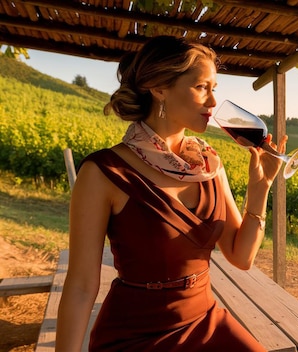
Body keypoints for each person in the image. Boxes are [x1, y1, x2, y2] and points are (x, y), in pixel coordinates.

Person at [56, 35, 286, 351]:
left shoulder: (209, 165)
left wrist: (261, 188)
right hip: (136, 336)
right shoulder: (102, 172)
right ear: (160, 87)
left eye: (213, 89)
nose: (212, 102)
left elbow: (241, 256)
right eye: (201, 87)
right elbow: (81, 287)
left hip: (205, 321)